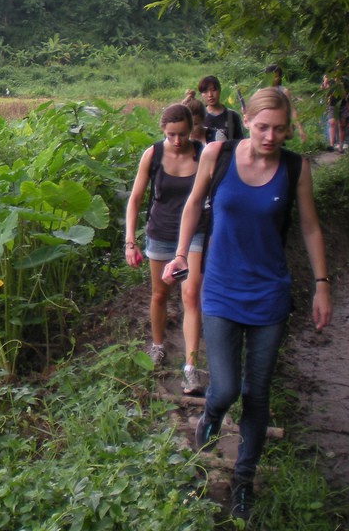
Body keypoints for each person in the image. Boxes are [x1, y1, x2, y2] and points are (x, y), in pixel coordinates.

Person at [166, 88, 332, 521]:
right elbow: (191, 208)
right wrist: (181, 253)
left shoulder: (295, 168)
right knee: (223, 389)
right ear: (248, 121)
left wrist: (322, 284)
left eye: (279, 129)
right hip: (220, 290)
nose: (271, 136)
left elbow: (311, 228)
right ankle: (205, 433)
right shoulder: (217, 155)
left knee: (257, 394)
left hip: (269, 294)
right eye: (262, 127)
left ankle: (243, 479)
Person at [124, 103, 206, 394]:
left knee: (190, 295)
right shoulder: (153, 155)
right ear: (163, 131)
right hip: (160, 232)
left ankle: (190, 368)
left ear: (191, 129)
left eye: (182, 134)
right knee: (160, 293)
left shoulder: (202, 153)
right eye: (171, 134)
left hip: (195, 232)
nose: (177, 141)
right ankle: (157, 345)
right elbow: (135, 199)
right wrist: (130, 241)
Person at [198, 75, 244, 142]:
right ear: (201, 94)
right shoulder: (199, 117)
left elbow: (240, 142)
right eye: (205, 92)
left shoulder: (232, 115)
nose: (210, 95)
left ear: (219, 90)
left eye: (213, 90)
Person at [265, 64, 305, 140]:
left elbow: (292, 110)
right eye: (271, 77)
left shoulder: (283, 91)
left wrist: (300, 129)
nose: (274, 79)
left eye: (276, 76)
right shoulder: (262, 91)